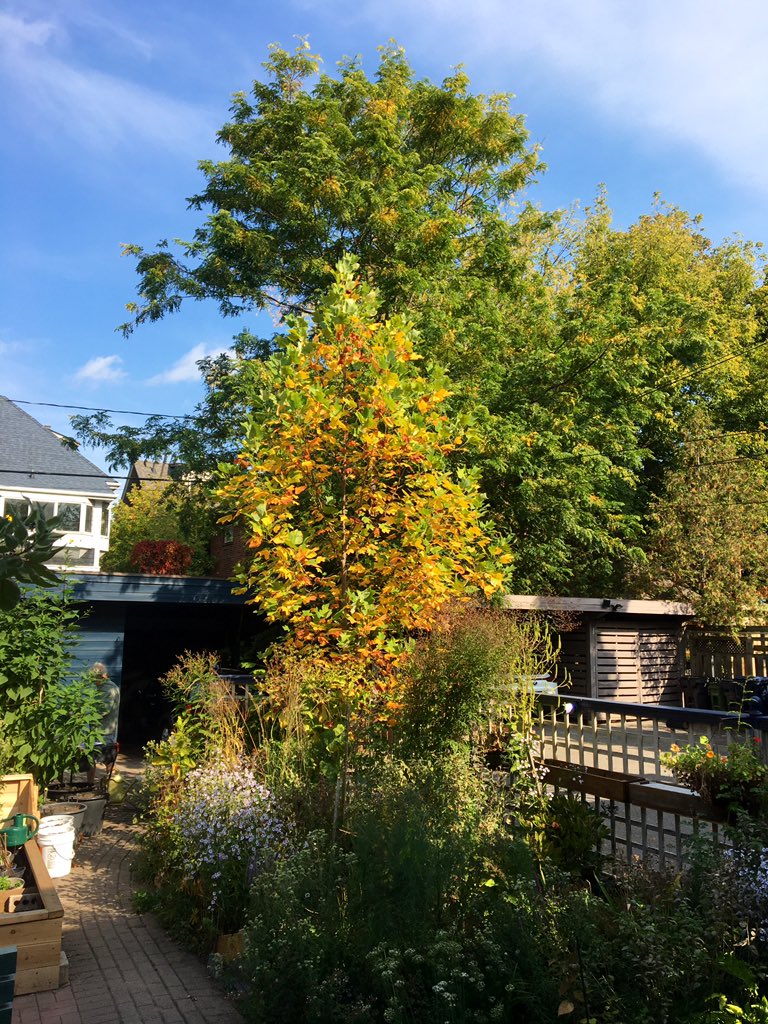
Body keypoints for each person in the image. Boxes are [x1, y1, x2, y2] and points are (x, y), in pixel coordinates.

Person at [87, 662, 120, 786]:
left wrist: (83, 714)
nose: (92, 681)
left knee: (104, 759)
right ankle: (97, 785)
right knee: (100, 759)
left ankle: (110, 787)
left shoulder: (108, 689)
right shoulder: (103, 687)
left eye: (93, 678)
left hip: (104, 731)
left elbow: (103, 710)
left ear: (101, 676)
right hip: (100, 730)